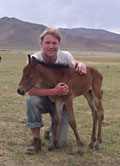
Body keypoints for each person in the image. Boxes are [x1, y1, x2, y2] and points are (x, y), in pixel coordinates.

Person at [26, 27, 87, 154]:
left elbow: (74, 63)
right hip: (44, 99)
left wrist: (81, 63)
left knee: (60, 143)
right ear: (41, 43)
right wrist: (54, 91)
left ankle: (50, 131)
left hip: (62, 102)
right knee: (32, 101)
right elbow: (31, 90)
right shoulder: (34, 60)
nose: (51, 46)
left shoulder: (65, 56)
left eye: (54, 43)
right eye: (47, 43)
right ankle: (36, 140)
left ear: (59, 44)